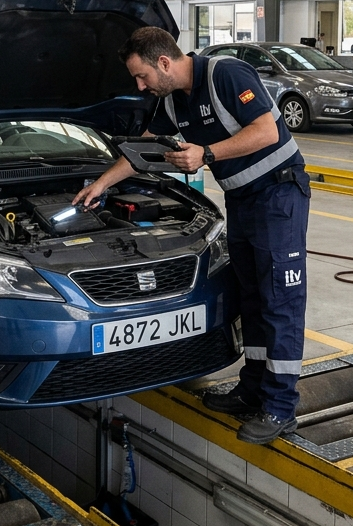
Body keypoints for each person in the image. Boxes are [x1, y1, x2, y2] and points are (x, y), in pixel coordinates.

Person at [73, 28, 310, 445]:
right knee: (251, 296)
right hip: (241, 199)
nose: (140, 86)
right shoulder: (172, 100)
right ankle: (253, 388)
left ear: (164, 63)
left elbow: (267, 132)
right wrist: (101, 184)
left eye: (142, 76)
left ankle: (280, 407)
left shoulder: (226, 74)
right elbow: (143, 151)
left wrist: (208, 153)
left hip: (278, 194)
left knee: (280, 300)